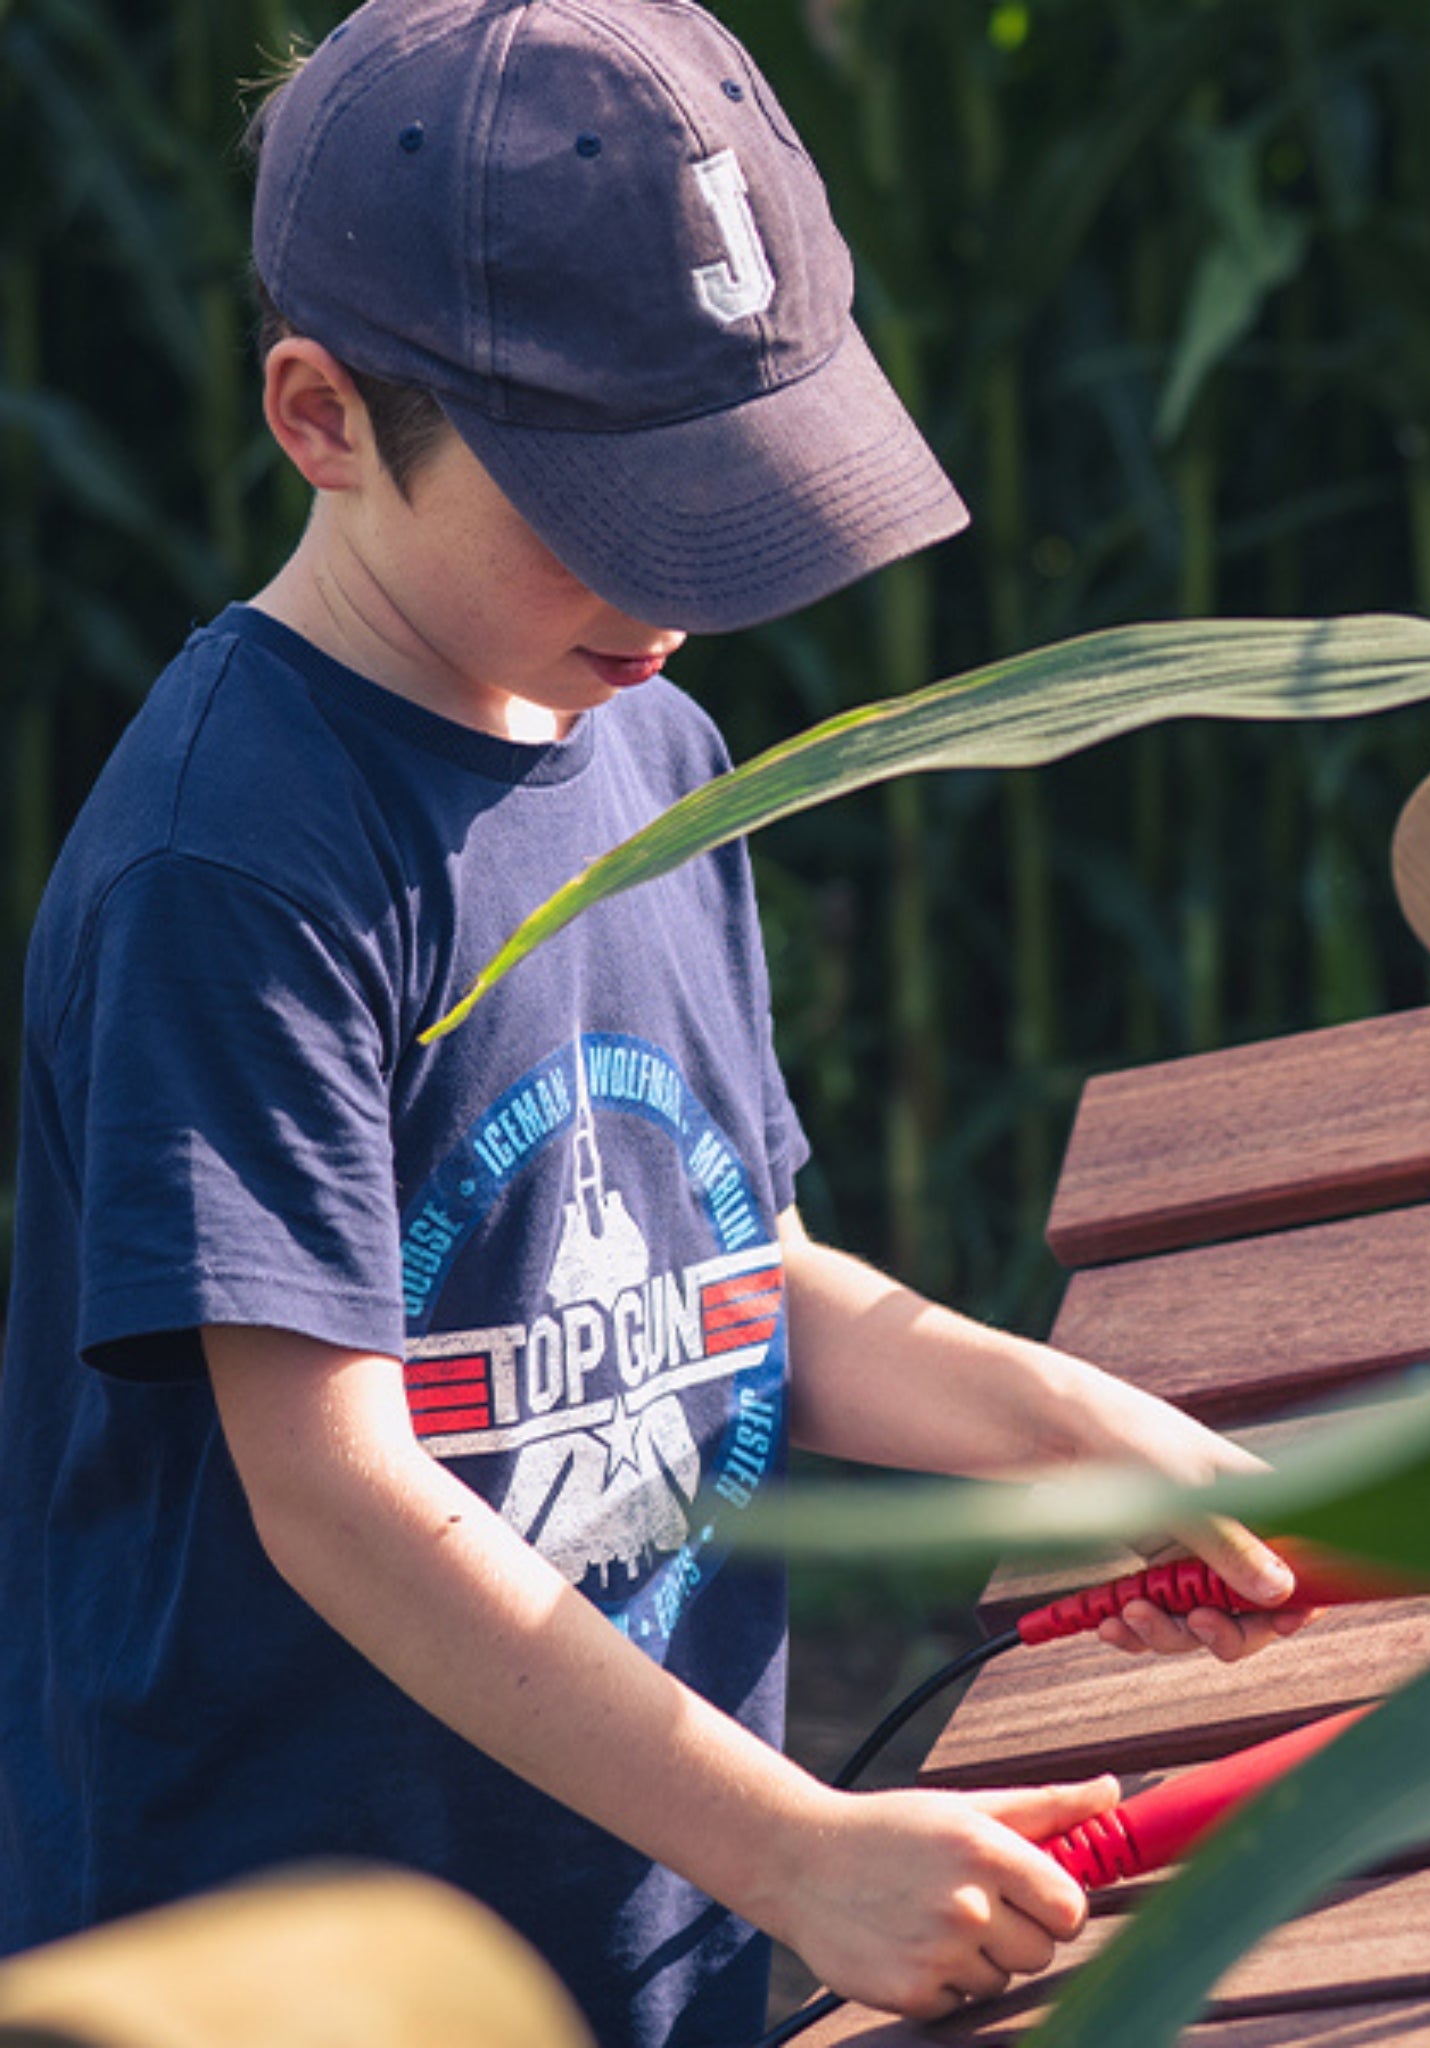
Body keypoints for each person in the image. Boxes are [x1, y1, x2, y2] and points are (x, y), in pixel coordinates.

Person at [0, 3, 1306, 2043]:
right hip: (291, 1967)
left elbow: (737, 1275)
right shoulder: (231, 863)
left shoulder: (659, 742)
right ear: (321, 414)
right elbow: (332, 1487)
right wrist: (793, 1845)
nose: (679, 592)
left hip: (641, 1924)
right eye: (602, 514)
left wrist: (1083, 1441)